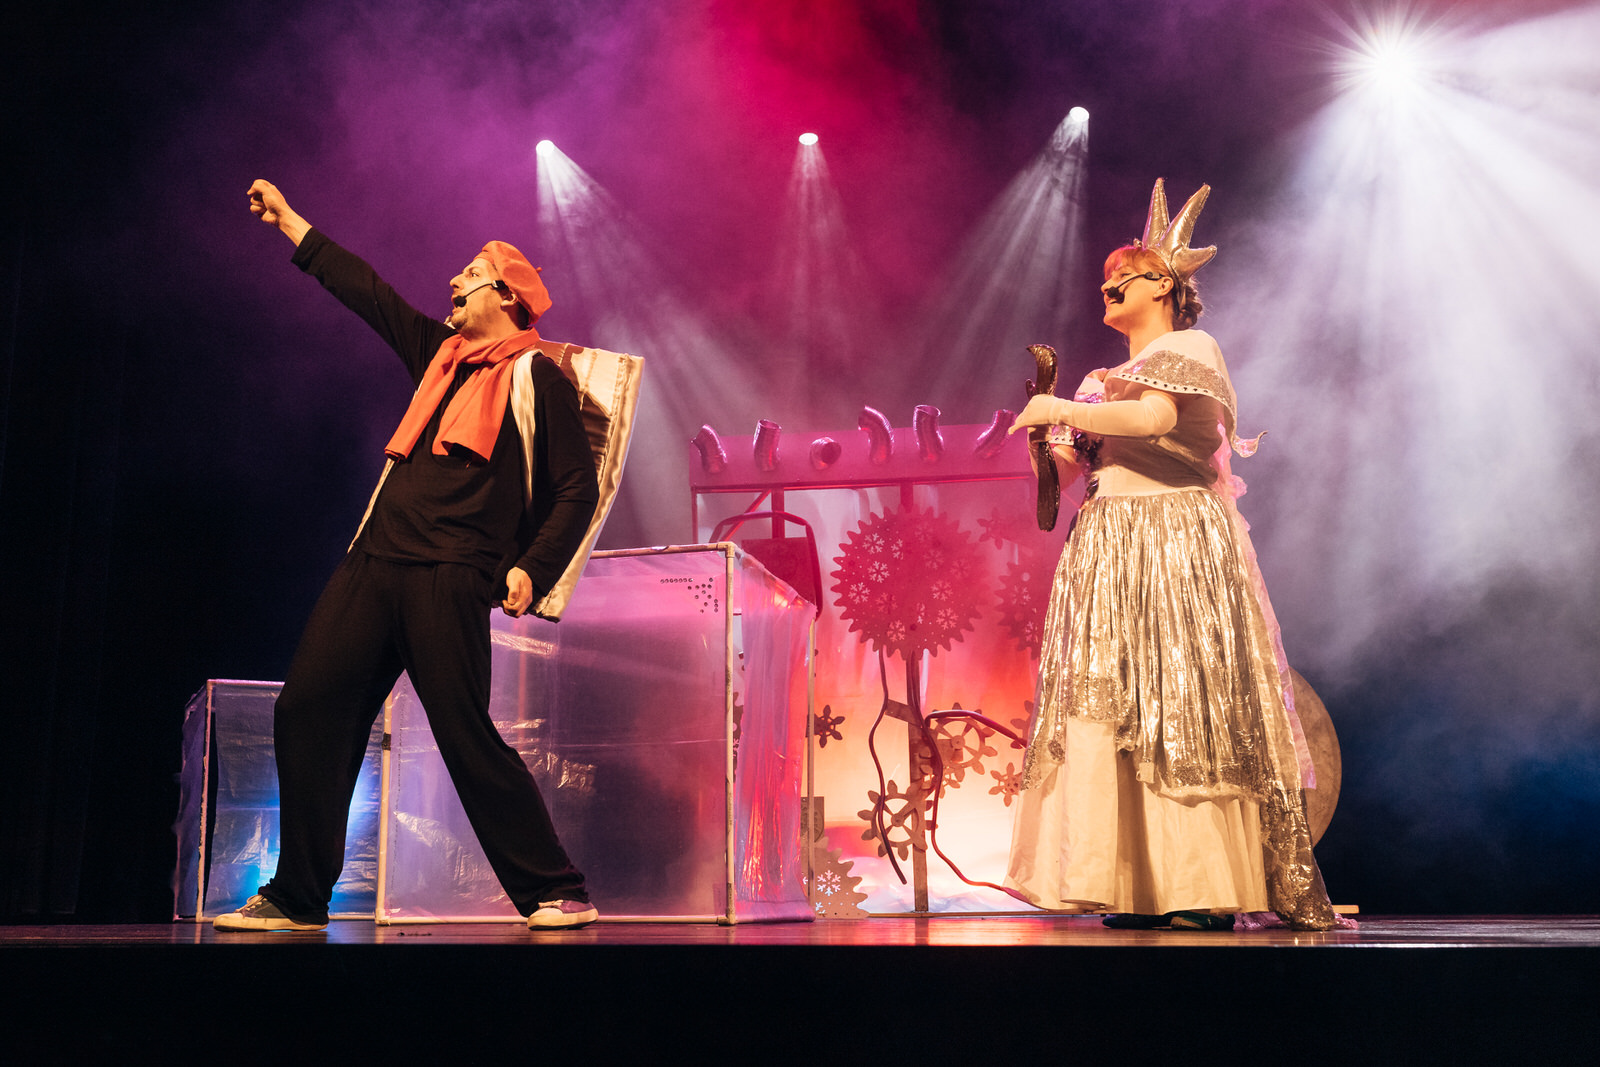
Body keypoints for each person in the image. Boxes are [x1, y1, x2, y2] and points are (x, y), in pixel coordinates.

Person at [213, 179, 602, 932]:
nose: (454, 280)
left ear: (507, 296)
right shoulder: (440, 358)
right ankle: (298, 897)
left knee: (463, 732)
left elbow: (575, 489)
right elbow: (370, 294)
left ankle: (557, 889)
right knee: (307, 708)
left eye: (471, 274)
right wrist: (292, 222)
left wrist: (532, 565)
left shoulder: (537, 377)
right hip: (374, 561)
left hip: (451, 571)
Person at [1004, 180, 1338, 931]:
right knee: (1114, 706)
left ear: (1162, 283)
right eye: (1104, 280)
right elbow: (1066, 480)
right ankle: (1132, 884)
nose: (1107, 287)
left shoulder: (1189, 348)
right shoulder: (1097, 382)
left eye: (1122, 275)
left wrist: (1063, 409)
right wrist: (1049, 444)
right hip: (1107, 543)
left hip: (1172, 538)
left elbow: (1155, 418)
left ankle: (1198, 885)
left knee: (1178, 703)